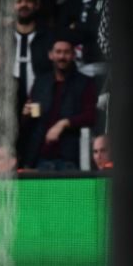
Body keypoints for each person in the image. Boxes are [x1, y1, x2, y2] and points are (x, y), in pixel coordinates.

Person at [20, 35, 97, 171]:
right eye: (58, 52)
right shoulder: (40, 83)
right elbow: (30, 123)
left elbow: (91, 116)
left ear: (73, 55)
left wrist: (63, 123)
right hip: (40, 159)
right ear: (50, 55)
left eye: (66, 52)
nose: (62, 56)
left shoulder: (85, 83)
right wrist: (26, 114)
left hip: (70, 159)